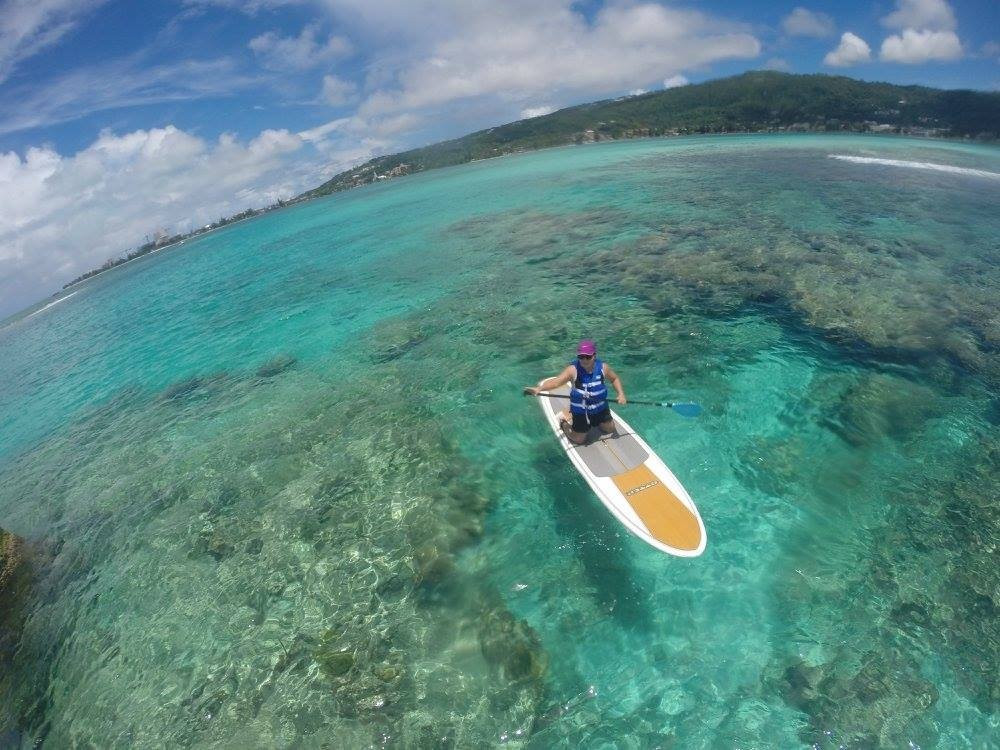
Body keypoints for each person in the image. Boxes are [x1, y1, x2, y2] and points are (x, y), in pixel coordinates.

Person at [524, 340, 626, 445]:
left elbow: (614, 379)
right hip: (581, 410)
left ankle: (593, 420)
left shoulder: (603, 368)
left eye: (588, 357)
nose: (584, 360)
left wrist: (621, 394)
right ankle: (563, 422)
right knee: (579, 440)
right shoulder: (572, 370)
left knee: (610, 429)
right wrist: (539, 389)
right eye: (581, 357)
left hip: (600, 407)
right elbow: (556, 383)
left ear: (594, 356)